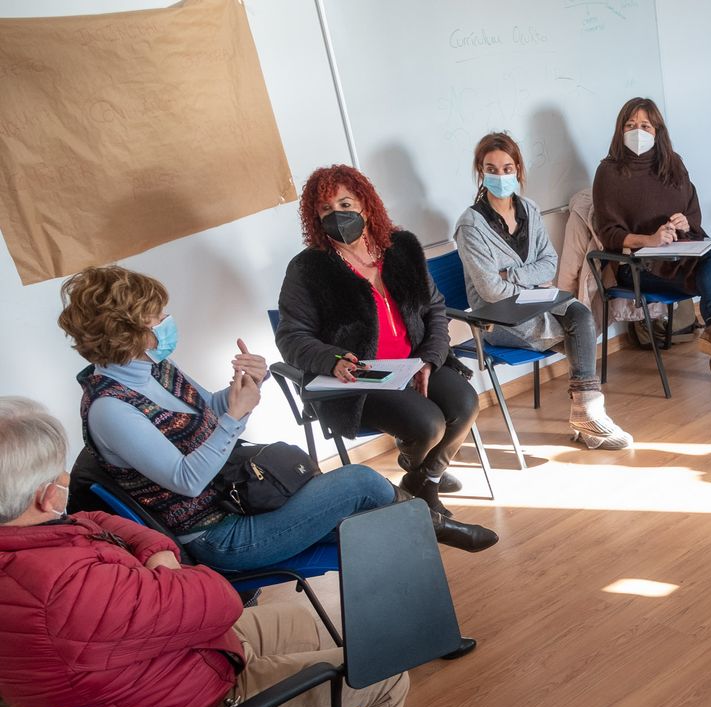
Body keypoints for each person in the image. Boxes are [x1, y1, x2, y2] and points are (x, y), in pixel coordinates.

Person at [0, 397, 409, 707]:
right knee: (384, 674)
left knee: (306, 623)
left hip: (170, 667)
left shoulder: (36, 543)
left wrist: (159, 556)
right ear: (45, 497)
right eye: (59, 474)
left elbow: (97, 520)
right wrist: (169, 570)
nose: (68, 478)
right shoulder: (67, 590)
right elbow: (220, 597)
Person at [58, 266, 492, 559]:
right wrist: (234, 418)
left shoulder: (152, 366)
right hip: (218, 533)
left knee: (373, 517)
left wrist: (244, 385)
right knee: (362, 484)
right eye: (158, 316)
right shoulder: (111, 409)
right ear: (127, 331)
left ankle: (425, 567)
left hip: (238, 498)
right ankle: (432, 528)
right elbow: (187, 480)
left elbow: (201, 411)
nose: (168, 320)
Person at [276, 165, 495, 526]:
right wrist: (331, 359)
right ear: (315, 218)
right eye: (326, 210)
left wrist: (429, 359)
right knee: (428, 425)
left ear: (364, 203)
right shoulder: (308, 269)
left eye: (345, 203)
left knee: (465, 403)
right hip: (361, 379)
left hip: (414, 362)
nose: (338, 215)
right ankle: (426, 492)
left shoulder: (401, 248)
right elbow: (291, 336)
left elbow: (435, 308)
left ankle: (419, 480)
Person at [456, 131, 632, 450]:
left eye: (507, 168)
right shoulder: (470, 225)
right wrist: (529, 280)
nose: (500, 175)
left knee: (580, 312)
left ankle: (586, 412)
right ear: (480, 172)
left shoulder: (530, 210)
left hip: (536, 303)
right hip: (498, 320)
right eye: (491, 169)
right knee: (578, 331)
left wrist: (513, 273)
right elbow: (492, 291)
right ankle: (587, 412)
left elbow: (549, 264)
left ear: (518, 170)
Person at [591, 98, 711, 386]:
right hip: (636, 267)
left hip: (677, 257)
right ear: (620, 130)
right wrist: (650, 240)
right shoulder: (609, 172)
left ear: (657, 130)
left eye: (645, 125)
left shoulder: (673, 163)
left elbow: (693, 212)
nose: (637, 131)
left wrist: (685, 223)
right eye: (630, 125)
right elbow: (609, 234)